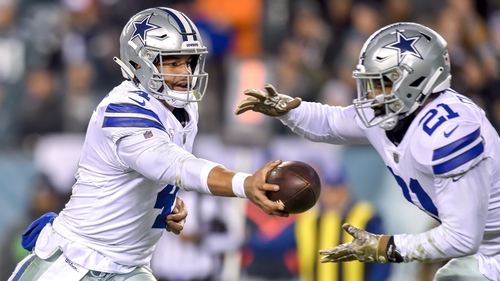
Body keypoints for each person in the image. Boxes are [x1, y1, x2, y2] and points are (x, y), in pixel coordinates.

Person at [8, 7, 287, 281]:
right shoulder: (123, 109)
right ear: (140, 63)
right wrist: (245, 184)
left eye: (189, 62)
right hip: (75, 262)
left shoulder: (186, 108)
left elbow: (159, 173)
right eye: (173, 62)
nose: (185, 73)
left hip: (128, 267)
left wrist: (164, 202)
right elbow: (176, 165)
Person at [235, 22, 500, 281]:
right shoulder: (396, 111)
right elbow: (331, 122)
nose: (372, 95)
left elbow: (462, 237)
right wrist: (288, 111)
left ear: (418, 81)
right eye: (370, 83)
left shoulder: (450, 132)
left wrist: (385, 247)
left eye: (382, 83)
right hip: (484, 253)